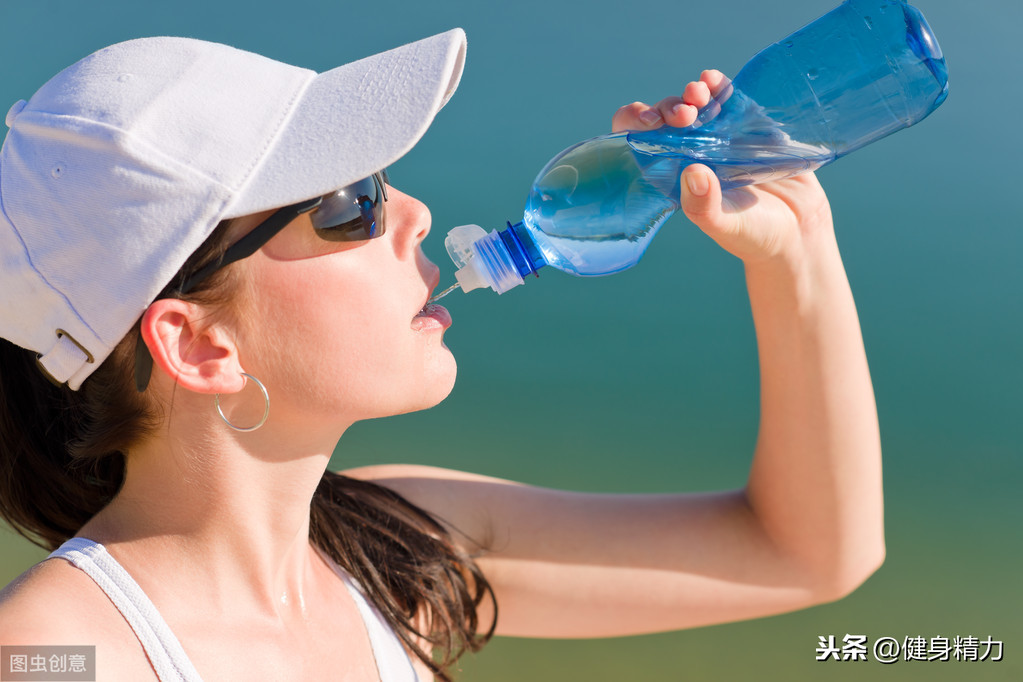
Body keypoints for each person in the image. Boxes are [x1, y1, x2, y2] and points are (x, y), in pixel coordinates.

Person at [0, 29, 884, 682]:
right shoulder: (59, 656)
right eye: (349, 204)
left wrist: (793, 255)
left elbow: (807, 552)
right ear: (198, 344)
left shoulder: (390, 556)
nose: (415, 214)